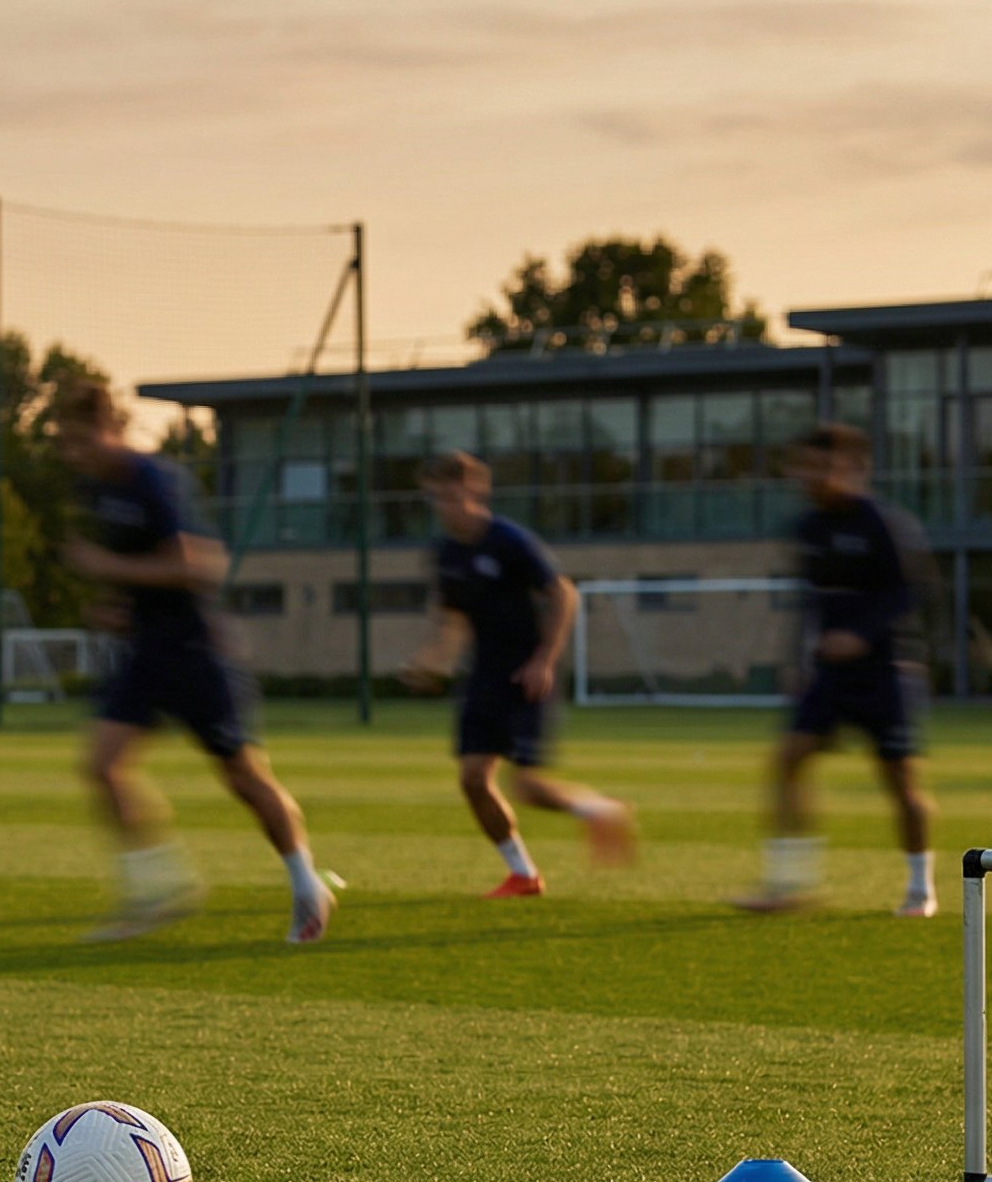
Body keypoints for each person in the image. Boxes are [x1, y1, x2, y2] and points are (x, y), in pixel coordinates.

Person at [57, 381, 334, 944]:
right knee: (102, 766)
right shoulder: (97, 489)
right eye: (66, 442)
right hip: (146, 652)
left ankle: (307, 884)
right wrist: (116, 605)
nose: (73, 452)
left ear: (112, 428)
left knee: (245, 778)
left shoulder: (152, 478)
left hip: (196, 652)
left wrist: (107, 568)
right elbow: (144, 569)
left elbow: (198, 565)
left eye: (82, 439)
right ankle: (158, 890)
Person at [399, 451, 634, 896]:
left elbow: (563, 594)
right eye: (435, 499)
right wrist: (431, 661)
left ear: (475, 491)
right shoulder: (446, 553)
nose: (444, 508)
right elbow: (451, 618)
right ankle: (523, 874)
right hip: (484, 676)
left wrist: (544, 659)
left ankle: (600, 810)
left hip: (527, 673)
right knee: (473, 780)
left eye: (451, 497)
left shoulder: (509, 540)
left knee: (527, 786)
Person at [732, 422, 940, 917]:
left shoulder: (882, 524)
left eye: (824, 466)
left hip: (885, 672)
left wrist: (861, 634)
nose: (813, 475)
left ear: (850, 468)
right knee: (788, 760)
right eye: (805, 465)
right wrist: (796, 659)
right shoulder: (807, 528)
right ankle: (786, 886)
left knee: (901, 784)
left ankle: (921, 889)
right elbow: (810, 603)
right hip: (830, 675)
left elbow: (912, 592)